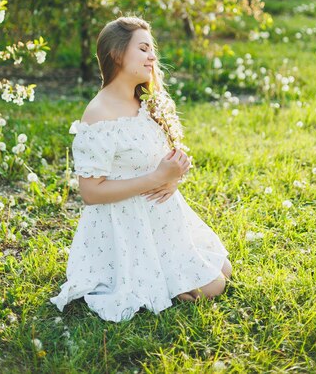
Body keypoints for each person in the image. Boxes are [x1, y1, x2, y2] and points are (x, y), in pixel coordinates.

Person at [50, 16, 232, 322]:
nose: (152, 56)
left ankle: (171, 275)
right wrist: (155, 178)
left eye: (152, 50)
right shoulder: (98, 114)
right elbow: (91, 192)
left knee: (223, 268)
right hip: (125, 224)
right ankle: (159, 281)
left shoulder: (145, 102)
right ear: (117, 54)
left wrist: (173, 173)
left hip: (160, 217)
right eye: (144, 48)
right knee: (214, 285)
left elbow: (155, 161)